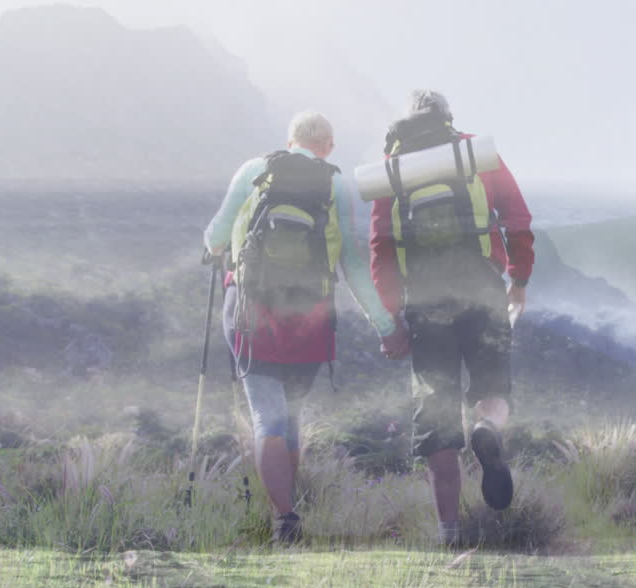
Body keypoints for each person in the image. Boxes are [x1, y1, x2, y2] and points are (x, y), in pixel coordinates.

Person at [204, 111, 404, 545]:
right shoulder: (335, 183)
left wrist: (218, 247)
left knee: (268, 418)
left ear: (289, 140)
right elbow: (352, 264)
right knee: (290, 419)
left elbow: (216, 235)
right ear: (328, 146)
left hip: (251, 311)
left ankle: (284, 518)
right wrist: (385, 325)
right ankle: (288, 512)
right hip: (310, 318)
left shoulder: (253, 170)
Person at [369, 90, 535, 546]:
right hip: (481, 285)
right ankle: (487, 428)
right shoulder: (474, 154)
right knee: (492, 385)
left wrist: (392, 318)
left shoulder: (392, 171)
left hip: (425, 299)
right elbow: (518, 218)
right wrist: (519, 278)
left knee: (437, 412)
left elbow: (381, 250)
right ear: (448, 118)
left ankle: (449, 534)